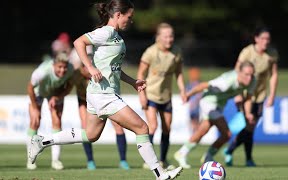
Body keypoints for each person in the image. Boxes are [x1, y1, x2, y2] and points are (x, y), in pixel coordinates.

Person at [28, 1, 183, 179]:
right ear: (118, 15)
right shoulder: (105, 32)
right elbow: (79, 42)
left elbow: (114, 68)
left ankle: (42, 141)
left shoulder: (116, 37)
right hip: (103, 95)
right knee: (142, 128)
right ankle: (160, 174)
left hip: (99, 93)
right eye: (129, 17)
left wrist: (132, 82)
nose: (130, 21)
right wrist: (90, 68)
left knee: (91, 135)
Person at [174, 61, 256, 169]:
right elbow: (204, 85)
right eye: (246, 74)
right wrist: (188, 95)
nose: (249, 78)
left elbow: (248, 98)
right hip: (208, 102)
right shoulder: (227, 81)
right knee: (226, 133)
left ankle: (182, 153)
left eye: (251, 74)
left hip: (219, 105)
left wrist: (248, 113)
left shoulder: (252, 81)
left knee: (202, 130)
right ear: (239, 72)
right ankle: (208, 156)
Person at [69, 45, 131, 170]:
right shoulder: (76, 74)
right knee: (86, 129)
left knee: (118, 127)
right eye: (87, 66)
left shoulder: (101, 72)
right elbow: (67, 87)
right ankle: (90, 161)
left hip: (105, 99)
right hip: (84, 101)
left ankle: (123, 161)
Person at [224, 27, 278, 167]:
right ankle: (247, 159)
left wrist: (272, 96)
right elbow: (237, 71)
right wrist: (237, 94)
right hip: (245, 95)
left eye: (268, 39)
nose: (266, 42)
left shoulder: (271, 54)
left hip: (259, 96)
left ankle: (230, 151)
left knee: (250, 128)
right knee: (250, 125)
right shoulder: (247, 52)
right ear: (256, 39)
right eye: (263, 38)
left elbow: (273, 75)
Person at [137, 22, 187, 169]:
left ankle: (163, 160)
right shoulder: (150, 52)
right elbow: (140, 74)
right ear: (158, 37)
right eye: (165, 36)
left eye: (171, 36)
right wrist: (142, 95)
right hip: (151, 95)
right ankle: (149, 161)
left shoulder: (176, 51)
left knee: (167, 129)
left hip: (166, 97)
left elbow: (178, 72)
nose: (169, 39)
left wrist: (182, 90)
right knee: (152, 126)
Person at [26, 52, 74, 170]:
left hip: (56, 93)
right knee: (34, 122)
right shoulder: (42, 72)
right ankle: (30, 160)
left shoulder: (70, 69)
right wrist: (35, 107)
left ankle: (56, 160)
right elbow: (30, 87)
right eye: (59, 67)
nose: (62, 70)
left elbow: (69, 87)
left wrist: (58, 97)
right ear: (54, 65)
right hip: (38, 92)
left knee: (57, 121)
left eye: (64, 67)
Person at [185, 67, 202, 133]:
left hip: (196, 107)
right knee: (193, 121)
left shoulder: (197, 84)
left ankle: (196, 133)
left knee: (196, 121)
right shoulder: (190, 84)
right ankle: (194, 134)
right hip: (192, 107)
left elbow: (200, 95)